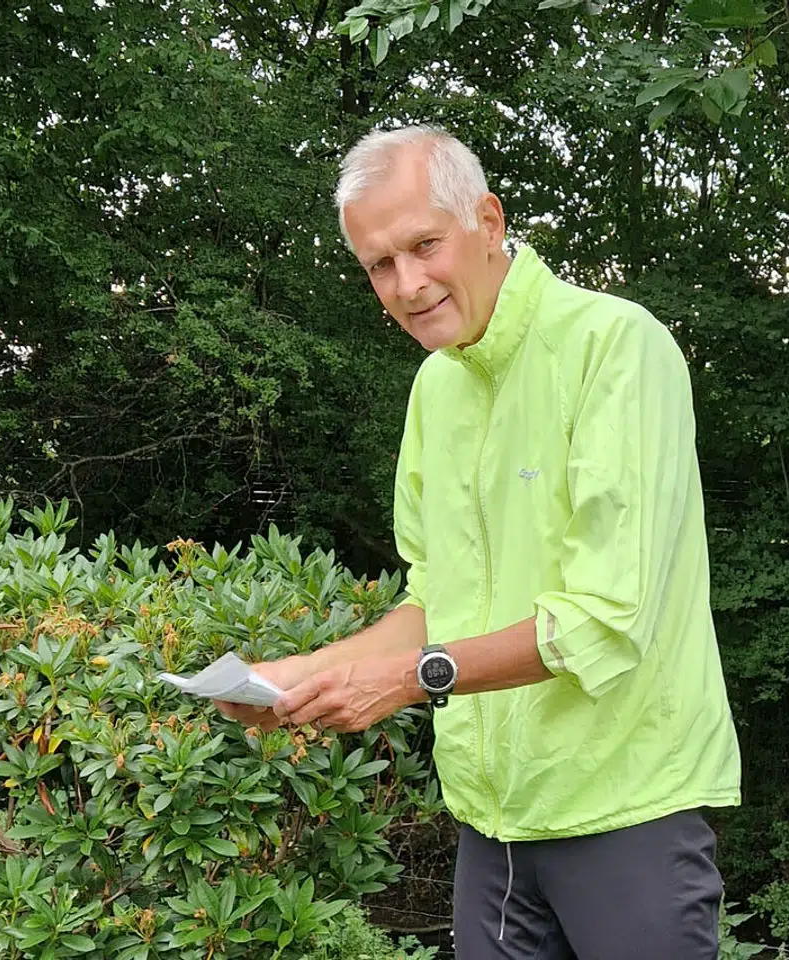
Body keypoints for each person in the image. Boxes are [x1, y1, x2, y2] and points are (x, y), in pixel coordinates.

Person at [213, 125, 741, 960]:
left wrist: (411, 682)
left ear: (488, 221)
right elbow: (436, 605)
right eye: (380, 265)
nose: (409, 284)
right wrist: (297, 678)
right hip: (490, 830)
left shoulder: (616, 346)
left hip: (628, 814)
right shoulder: (436, 390)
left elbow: (604, 619)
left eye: (424, 245)